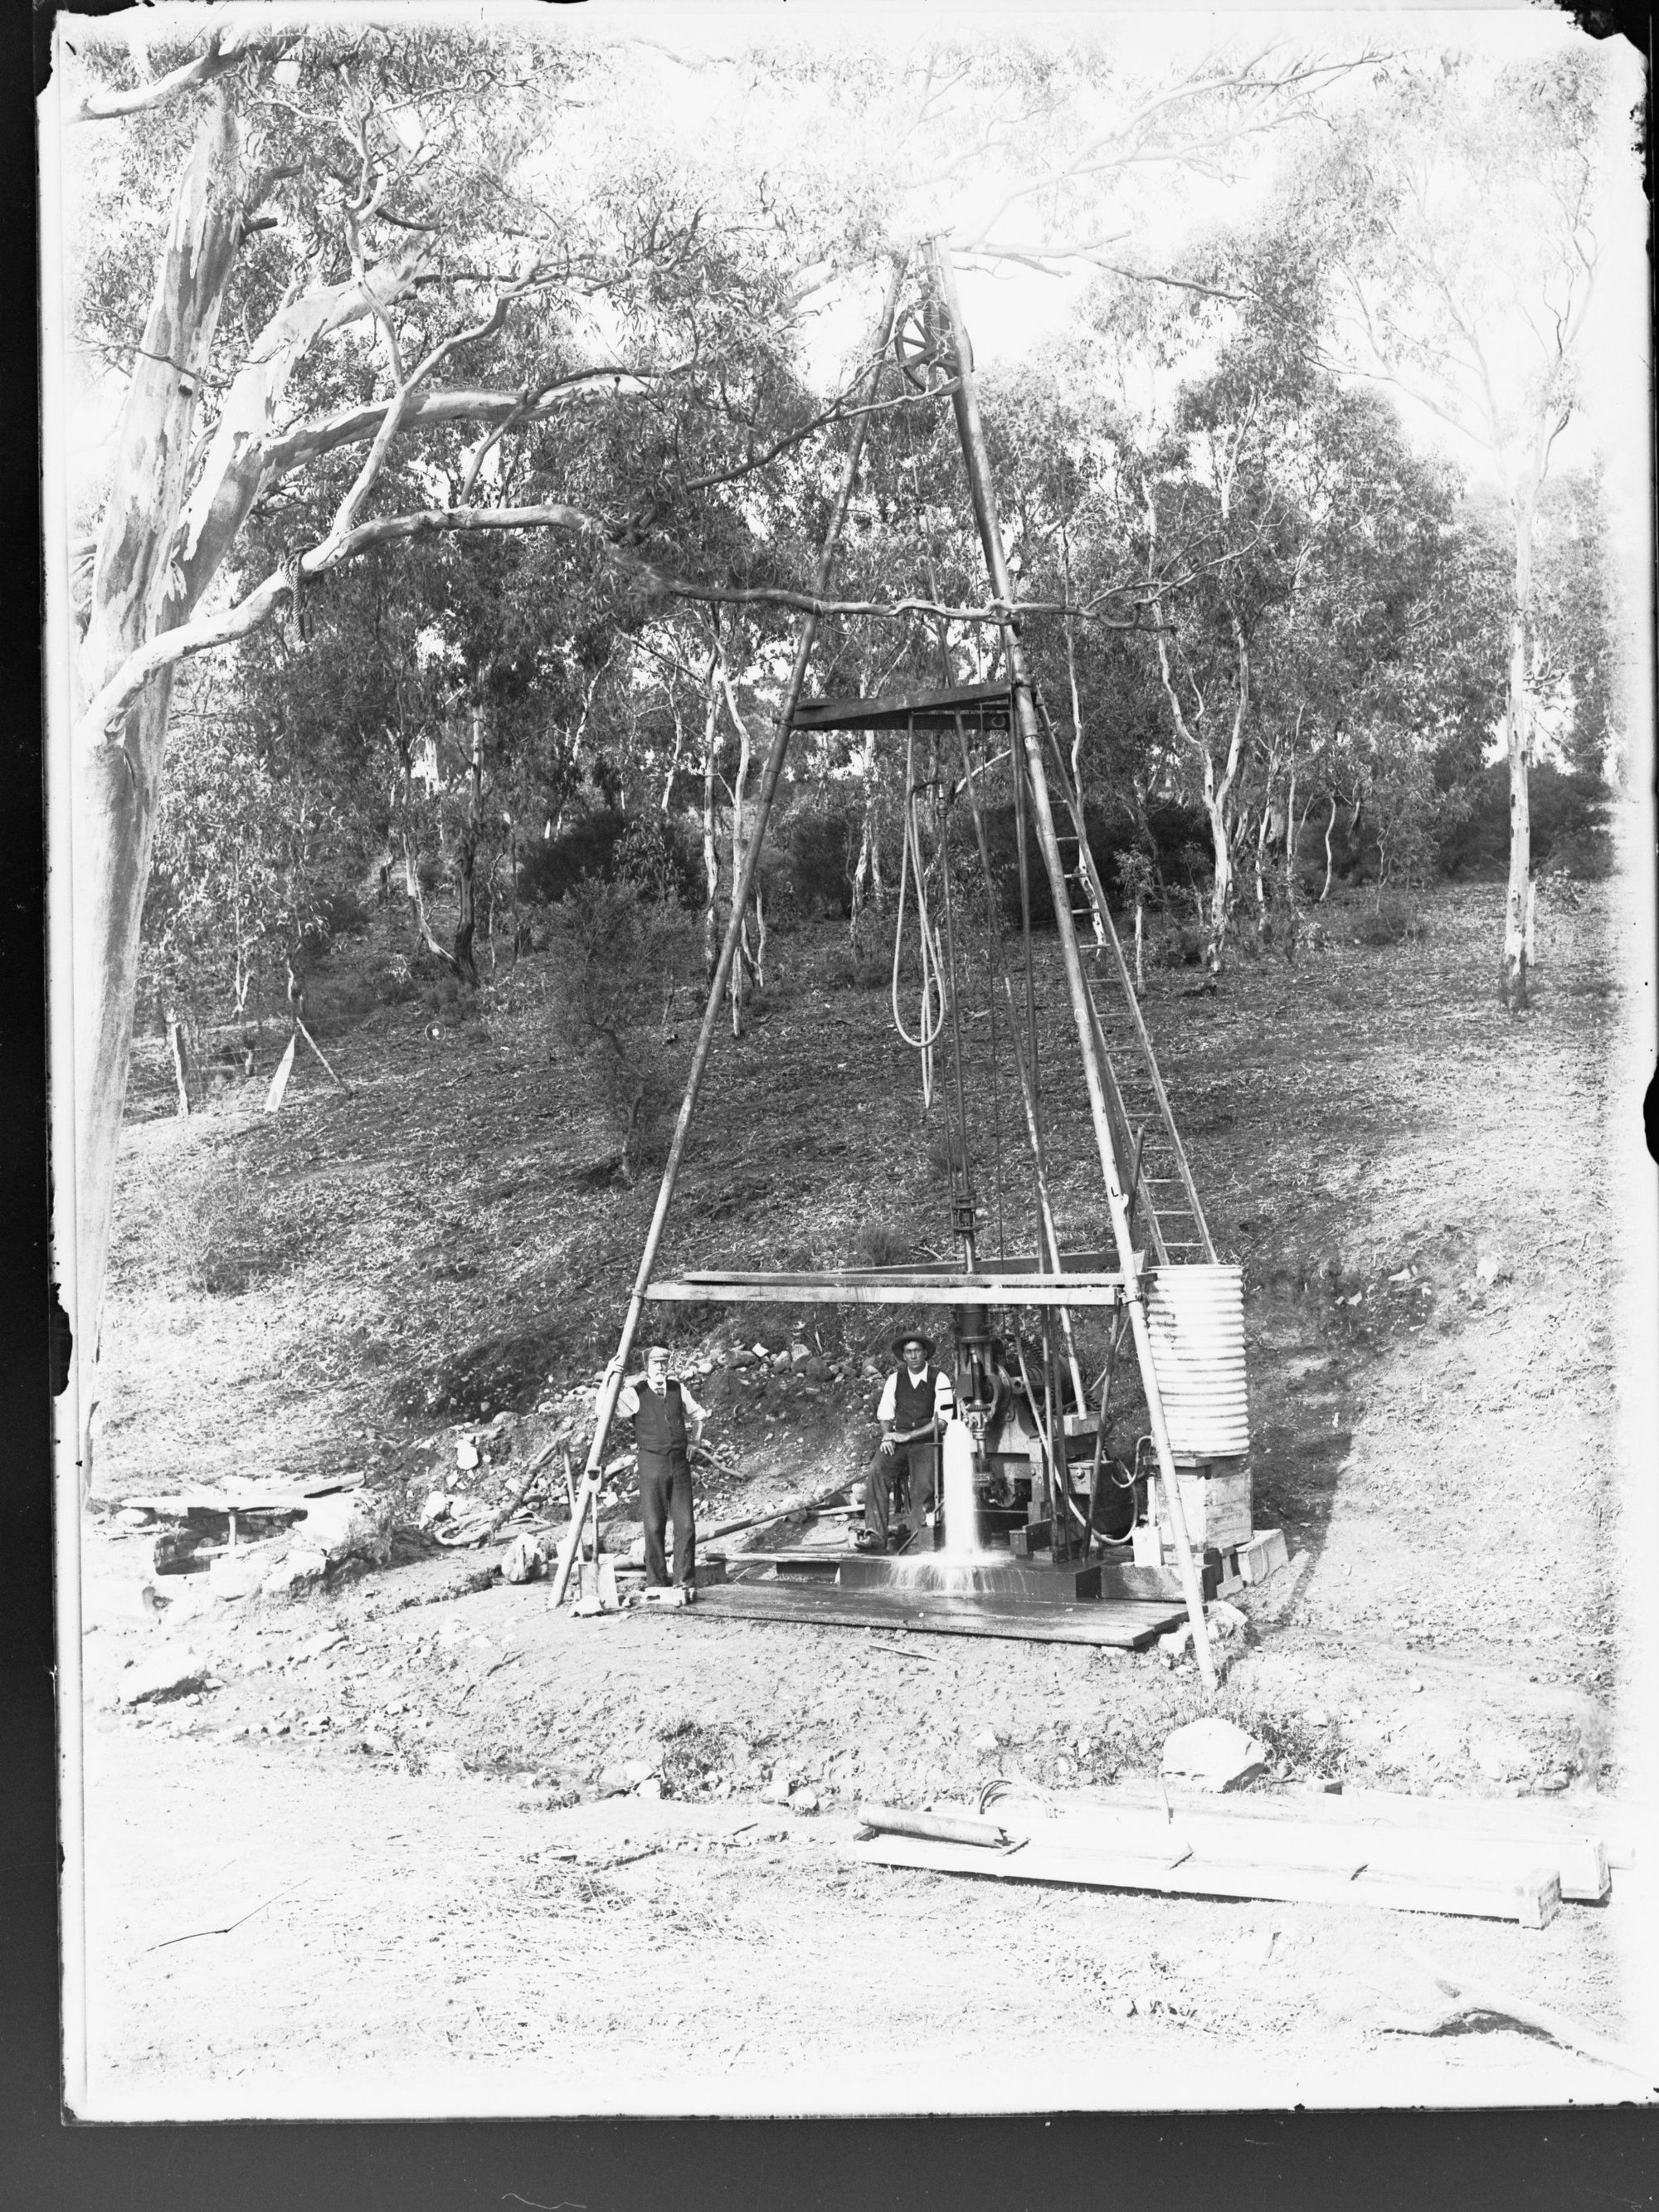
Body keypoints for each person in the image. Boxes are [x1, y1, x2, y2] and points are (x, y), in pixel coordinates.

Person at [610, 1345, 708, 1597]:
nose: (661, 1368)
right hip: (651, 1464)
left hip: (679, 1464)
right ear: (646, 1367)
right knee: (654, 1526)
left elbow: (699, 1415)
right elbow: (604, 1410)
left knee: (686, 1525)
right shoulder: (635, 1393)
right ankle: (656, 1582)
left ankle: (684, 1581)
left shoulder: (677, 1389)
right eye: (655, 1364)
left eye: (664, 1363)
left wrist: (695, 1443)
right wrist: (610, 1376)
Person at [858, 1328, 955, 1552]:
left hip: (927, 1442)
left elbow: (942, 1422)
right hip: (899, 1441)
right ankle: (875, 1536)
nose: (913, 1356)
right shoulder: (895, 1378)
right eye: (908, 1352)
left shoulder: (939, 1378)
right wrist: (888, 1436)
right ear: (903, 1355)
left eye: (917, 1351)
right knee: (877, 1469)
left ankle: (922, 1541)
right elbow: (885, 1414)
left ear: (925, 1353)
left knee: (922, 1488)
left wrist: (908, 1436)